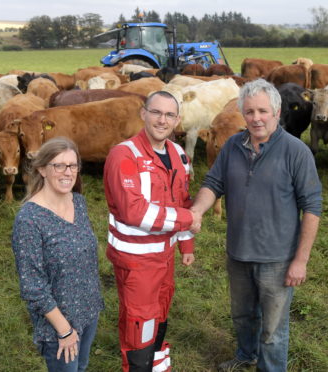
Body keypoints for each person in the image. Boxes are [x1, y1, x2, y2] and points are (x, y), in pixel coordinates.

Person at [191, 79, 322, 372]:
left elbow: (312, 207)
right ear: (242, 114)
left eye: (263, 110)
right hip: (238, 252)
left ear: (276, 112)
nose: (256, 118)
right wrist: (197, 210)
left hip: (277, 258)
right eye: (249, 112)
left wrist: (300, 260)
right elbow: (214, 183)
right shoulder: (233, 146)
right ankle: (246, 354)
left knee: (273, 330)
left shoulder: (296, 151)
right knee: (242, 315)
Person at [103, 91, 201, 372]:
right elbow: (133, 211)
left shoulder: (178, 153)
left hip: (165, 256)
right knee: (140, 322)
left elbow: (181, 198)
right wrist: (188, 219)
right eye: (156, 112)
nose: (162, 120)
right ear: (143, 113)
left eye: (170, 115)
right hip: (136, 260)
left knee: (159, 314)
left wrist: (186, 245)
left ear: (178, 120)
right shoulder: (124, 155)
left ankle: (157, 367)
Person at [11, 137, 104, 372]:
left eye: (72, 165)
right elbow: (33, 286)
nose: (67, 172)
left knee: (81, 367)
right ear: (42, 169)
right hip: (58, 323)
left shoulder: (79, 202)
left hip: (88, 309)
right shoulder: (29, 219)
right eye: (58, 165)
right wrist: (65, 330)